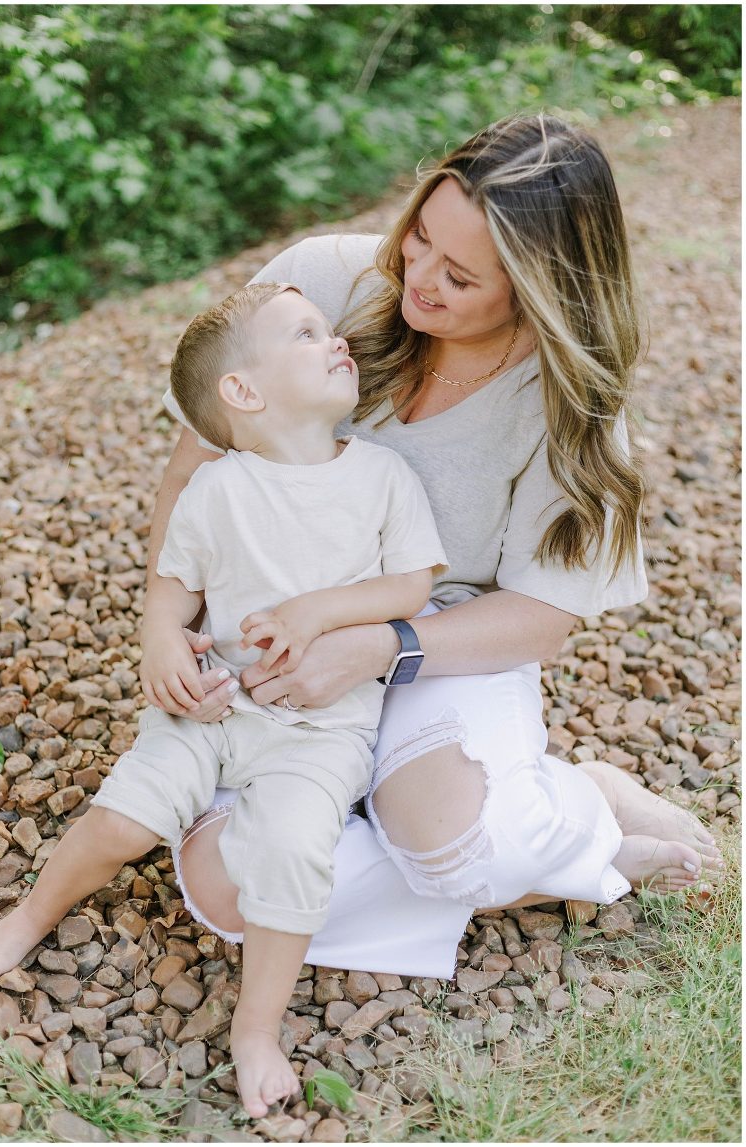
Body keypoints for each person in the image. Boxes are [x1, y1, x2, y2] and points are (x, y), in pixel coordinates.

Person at [157, 114, 723, 975]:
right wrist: (165, 629)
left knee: (462, 848)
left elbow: (540, 615)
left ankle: (578, 809)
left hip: (436, 641)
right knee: (226, 888)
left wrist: (379, 647)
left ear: (539, 291)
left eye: (458, 276)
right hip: (268, 635)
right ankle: (536, 846)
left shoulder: (573, 404)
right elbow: (193, 470)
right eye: (420, 235)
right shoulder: (318, 284)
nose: (416, 277)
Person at [0, 282, 448, 1118]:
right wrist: (163, 642)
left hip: (320, 726)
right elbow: (174, 584)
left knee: (294, 849)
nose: (336, 340)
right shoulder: (218, 489)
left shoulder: (382, 476)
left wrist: (318, 611)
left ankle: (256, 1027)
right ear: (243, 391)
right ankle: (30, 916)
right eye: (305, 333)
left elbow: (412, 583)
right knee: (125, 819)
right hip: (212, 703)